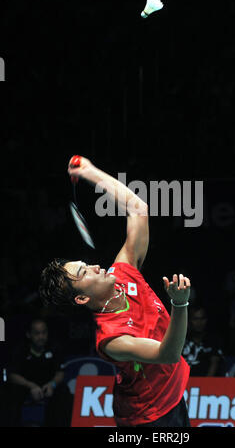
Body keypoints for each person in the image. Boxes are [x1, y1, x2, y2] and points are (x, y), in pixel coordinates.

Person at [39, 155, 191, 428]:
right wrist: (179, 305)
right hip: (148, 417)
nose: (96, 266)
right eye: (85, 272)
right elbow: (168, 354)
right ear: (82, 298)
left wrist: (89, 172)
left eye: (86, 264)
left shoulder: (122, 273)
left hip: (173, 395)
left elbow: (138, 208)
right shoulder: (111, 338)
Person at [8, 318, 72, 426]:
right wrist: (30, 386)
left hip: (48, 386)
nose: (41, 337)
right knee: (9, 393)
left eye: (44, 332)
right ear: (29, 334)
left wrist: (52, 384)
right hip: (26, 386)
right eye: (37, 333)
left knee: (65, 393)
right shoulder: (20, 349)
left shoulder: (54, 347)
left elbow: (60, 373)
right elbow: (12, 375)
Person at [183, 307, 224, 377]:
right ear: (189, 321)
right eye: (195, 319)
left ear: (206, 320)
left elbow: (215, 363)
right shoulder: (182, 340)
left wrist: (205, 384)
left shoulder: (213, 340)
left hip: (206, 382)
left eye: (202, 319)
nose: (199, 323)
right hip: (184, 381)